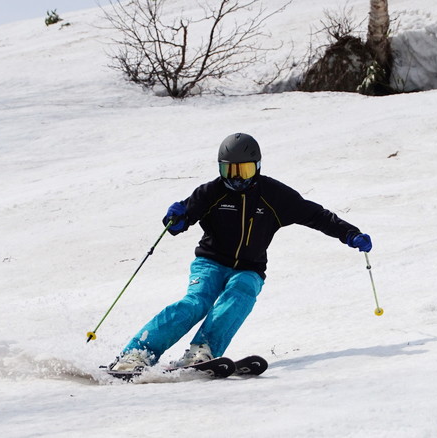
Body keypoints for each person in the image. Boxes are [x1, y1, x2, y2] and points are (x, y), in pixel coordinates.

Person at [109, 133, 372, 371]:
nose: (236, 177)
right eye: (229, 169)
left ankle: (203, 351)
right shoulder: (212, 192)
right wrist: (176, 218)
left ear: (256, 167)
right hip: (210, 263)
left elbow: (316, 215)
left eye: (243, 170)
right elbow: (184, 216)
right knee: (195, 303)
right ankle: (137, 354)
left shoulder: (274, 195)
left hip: (250, 267)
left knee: (241, 292)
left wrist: (349, 233)